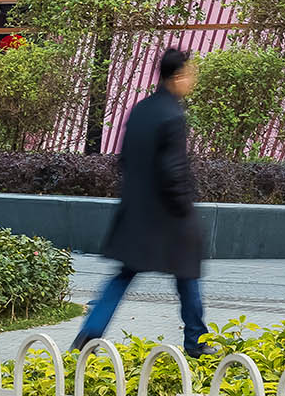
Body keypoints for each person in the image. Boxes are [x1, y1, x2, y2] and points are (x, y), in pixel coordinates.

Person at [72, 47, 208, 358]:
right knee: (187, 275)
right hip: (169, 216)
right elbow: (173, 170)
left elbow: (124, 160)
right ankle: (196, 341)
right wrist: (185, 208)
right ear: (178, 76)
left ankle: (90, 334)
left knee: (124, 274)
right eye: (191, 74)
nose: (193, 81)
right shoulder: (173, 115)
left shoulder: (141, 109)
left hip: (137, 212)